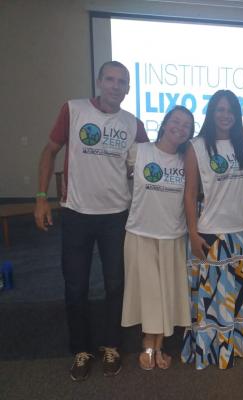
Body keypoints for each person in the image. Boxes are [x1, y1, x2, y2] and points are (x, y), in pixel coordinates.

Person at [34, 61, 149, 381]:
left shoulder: (133, 124)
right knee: (76, 286)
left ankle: (112, 345)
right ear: (99, 82)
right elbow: (49, 151)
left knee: (116, 285)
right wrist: (41, 196)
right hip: (76, 214)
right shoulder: (74, 110)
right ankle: (81, 350)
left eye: (122, 82)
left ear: (128, 89)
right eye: (110, 79)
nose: (115, 86)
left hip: (117, 217)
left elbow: (141, 168)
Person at [180, 90, 243, 370]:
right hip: (211, 232)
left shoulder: (240, 143)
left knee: (240, 297)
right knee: (213, 300)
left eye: (231, 110)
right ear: (211, 113)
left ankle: (238, 347)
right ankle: (212, 351)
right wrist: (193, 233)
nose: (226, 115)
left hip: (241, 232)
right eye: (220, 110)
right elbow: (190, 194)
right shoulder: (196, 146)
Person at [121, 106, 194, 370]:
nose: (180, 128)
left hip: (173, 236)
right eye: (176, 121)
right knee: (150, 294)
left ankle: (158, 344)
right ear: (164, 123)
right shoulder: (139, 151)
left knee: (166, 293)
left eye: (187, 125)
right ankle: (149, 344)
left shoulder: (187, 161)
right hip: (140, 233)